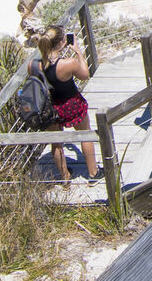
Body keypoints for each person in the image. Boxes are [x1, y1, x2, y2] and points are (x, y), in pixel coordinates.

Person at [31, 25, 101, 181]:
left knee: (56, 143)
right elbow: (85, 75)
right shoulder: (68, 63)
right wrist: (78, 52)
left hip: (49, 108)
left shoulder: (34, 65)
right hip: (71, 104)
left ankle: (65, 177)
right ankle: (93, 174)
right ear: (62, 43)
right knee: (85, 135)